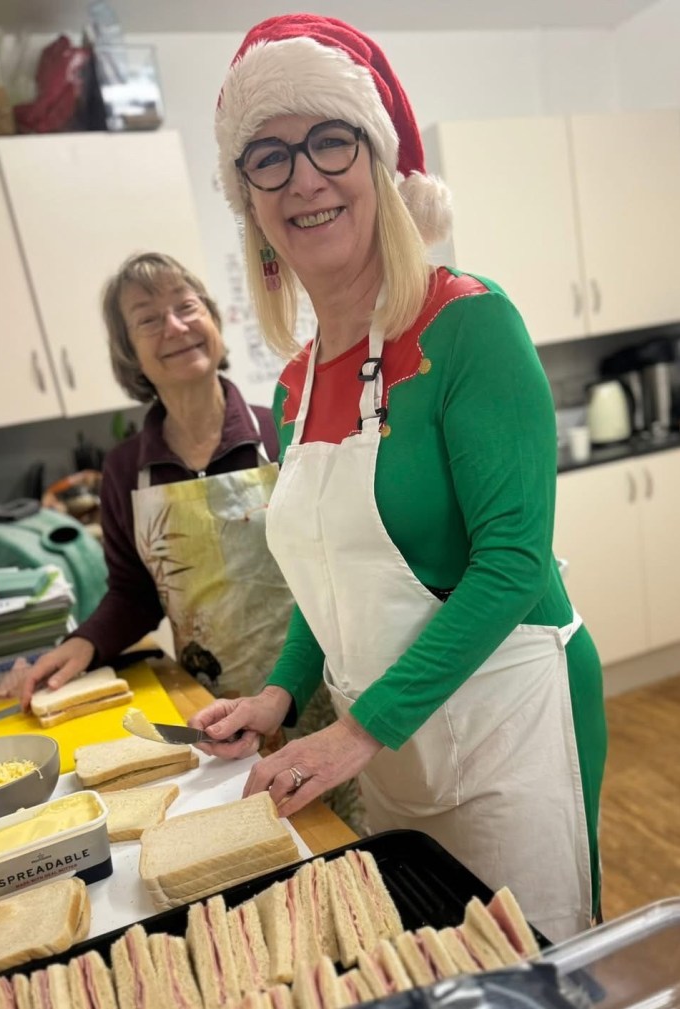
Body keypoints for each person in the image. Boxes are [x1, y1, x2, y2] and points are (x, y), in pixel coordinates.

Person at [189, 15, 607, 943]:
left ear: (378, 167)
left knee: (533, 970)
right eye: (268, 157)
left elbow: (513, 560)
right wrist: (281, 695)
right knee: (436, 969)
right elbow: (332, 576)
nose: (303, 178)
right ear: (249, 202)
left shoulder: (469, 324)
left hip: (510, 732)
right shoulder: (293, 384)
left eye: (329, 141)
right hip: (388, 746)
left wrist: (357, 728)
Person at [20, 252, 294, 708]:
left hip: (309, 689)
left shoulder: (283, 431)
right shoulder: (126, 470)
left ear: (212, 319)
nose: (175, 326)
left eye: (186, 306)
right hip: (208, 703)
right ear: (130, 354)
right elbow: (134, 595)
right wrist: (83, 643)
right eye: (148, 319)